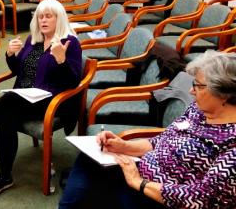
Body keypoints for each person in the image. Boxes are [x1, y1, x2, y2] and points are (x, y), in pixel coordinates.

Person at [59, 50, 236, 209]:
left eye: (198, 85)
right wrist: (122, 146)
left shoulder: (231, 146)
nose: (191, 91)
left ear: (224, 93)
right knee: (90, 157)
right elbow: (159, 141)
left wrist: (139, 182)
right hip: (140, 174)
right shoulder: (198, 111)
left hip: (159, 196)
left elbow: (201, 198)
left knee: (92, 193)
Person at [0, 0, 82, 197]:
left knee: (8, 103)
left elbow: (73, 83)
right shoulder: (33, 40)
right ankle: (5, 176)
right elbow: (20, 71)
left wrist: (61, 60)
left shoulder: (70, 43)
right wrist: (11, 55)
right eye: (40, 16)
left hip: (55, 101)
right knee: (6, 117)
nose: (43, 20)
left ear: (59, 19)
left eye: (48, 16)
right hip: (25, 98)